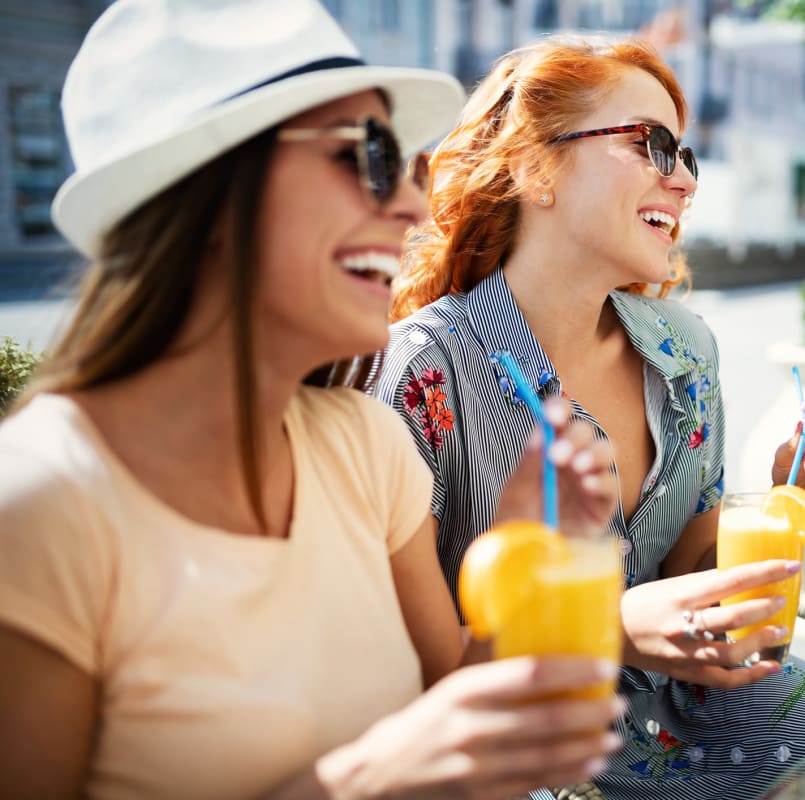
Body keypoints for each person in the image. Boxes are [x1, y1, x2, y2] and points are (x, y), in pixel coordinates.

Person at [0, 3, 627, 799]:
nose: (410, 208)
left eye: (411, 169)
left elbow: (455, 710)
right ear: (212, 193)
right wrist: (357, 784)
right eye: (366, 156)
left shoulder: (366, 445)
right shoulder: (36, 508)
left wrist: (526, 545)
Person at [373, 36, 805, 800]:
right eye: (653, 145)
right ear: (536, 167)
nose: (682, 182)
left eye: (686, 157)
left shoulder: (685, 351)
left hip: (706, 709)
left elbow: (689, 579)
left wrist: (785, 501)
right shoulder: (421, 375)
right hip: (532, 743)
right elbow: (419, 678)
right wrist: (605, 623)